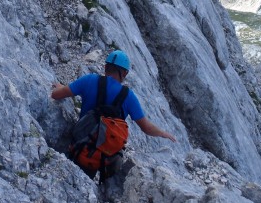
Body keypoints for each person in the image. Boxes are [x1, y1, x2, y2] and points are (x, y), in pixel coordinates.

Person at [51, 50, 176, 180]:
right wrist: (163, 133)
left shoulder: (88, 80)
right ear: (125, 73)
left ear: (105, 67)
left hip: (79, 146)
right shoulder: (128, 97)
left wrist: (61, 87)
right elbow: (146, 127)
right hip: (105, 157)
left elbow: (56, 95)